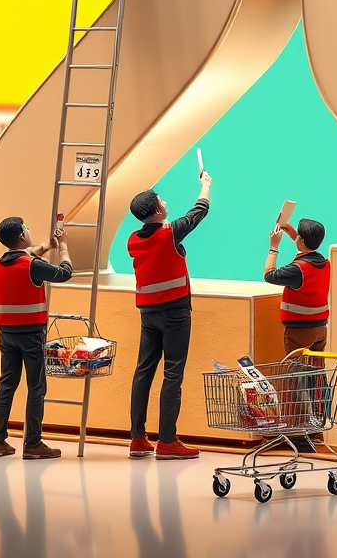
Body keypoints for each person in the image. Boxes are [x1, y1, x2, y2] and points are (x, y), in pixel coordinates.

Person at [126, 169, 212, 460]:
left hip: (147, 314)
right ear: (158, 209)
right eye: (161, 200)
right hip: (175, 313)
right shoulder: (169, 232)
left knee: (143, 372)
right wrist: (206, 185)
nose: (165, 201)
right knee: (173, 373)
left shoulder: (132, 241)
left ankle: (138, 438)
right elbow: (200, 211)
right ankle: (167, 440)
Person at [0, 218, 71, 460]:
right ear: (23, 236)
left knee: (7, 385)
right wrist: (63, 247)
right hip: (32, 336)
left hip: (7, 335)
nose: (29, 231)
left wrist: (46, 246)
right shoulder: (31, 266)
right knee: (36, 387)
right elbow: (65, 273)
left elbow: (25, 257)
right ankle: (33, 443)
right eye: (27, 228)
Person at [264, 215, 330, 359]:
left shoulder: (297, 269)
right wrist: (293, 233)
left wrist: (273, 247)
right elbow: (307, 248)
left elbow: (269, 275)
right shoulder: (325, 264)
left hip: (300, 331)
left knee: (296, 373)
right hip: (320, 329)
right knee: (316, 372)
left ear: (301, 240)